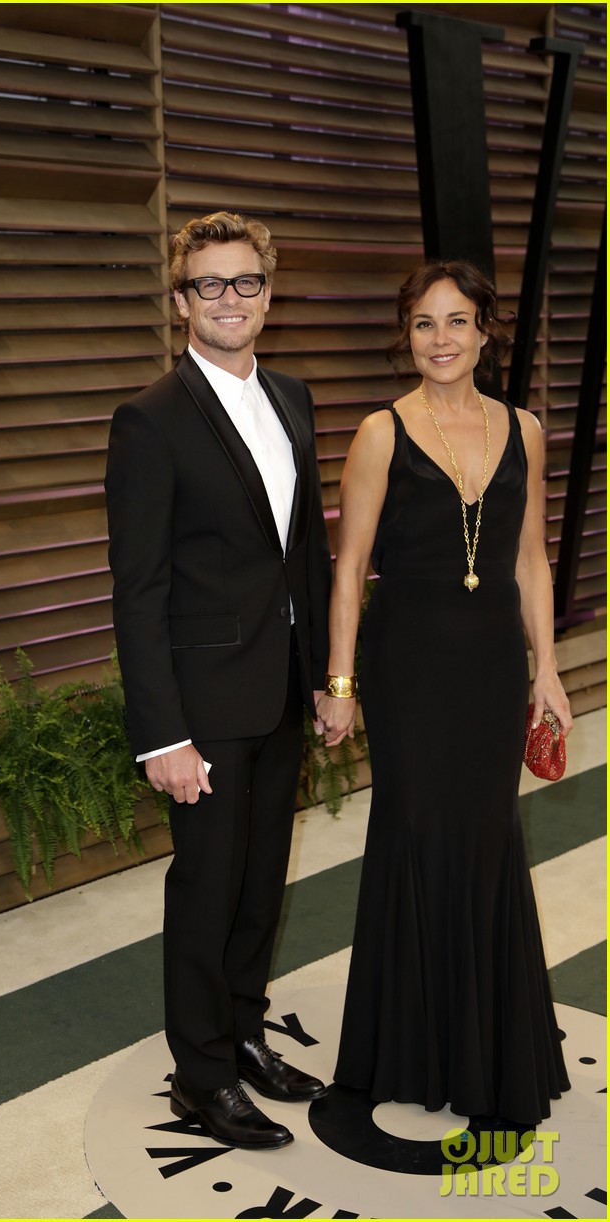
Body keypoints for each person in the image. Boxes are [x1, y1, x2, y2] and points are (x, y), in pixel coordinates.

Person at [316, 260, 573, 1126]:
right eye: (423, 324)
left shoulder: (525, 428)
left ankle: (489, 1045)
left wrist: (546, 667)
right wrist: (341, 684)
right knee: (414, 833)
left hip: (494, 665)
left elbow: (528, 557)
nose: (440, 339)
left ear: (484, 332)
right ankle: (409, 1045)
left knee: (490, 834)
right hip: (408, 668)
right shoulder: (380, 431)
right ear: (406, 336)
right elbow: (348, 569)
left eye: (456, 322)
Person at [105, 211, 334, 1149]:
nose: (228, 299)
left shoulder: (292, 396)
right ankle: (200, 1076)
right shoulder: (149, 420)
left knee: (260, 883)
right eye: (209, 285)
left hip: (280, 688)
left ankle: (242, 1035)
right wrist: (162, 734)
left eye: (244, 283)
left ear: (267, 295)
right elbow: (138, 586)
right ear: (180, 300)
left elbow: (305, 554)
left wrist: (328, 676)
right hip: (201, 706)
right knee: (206, 888)